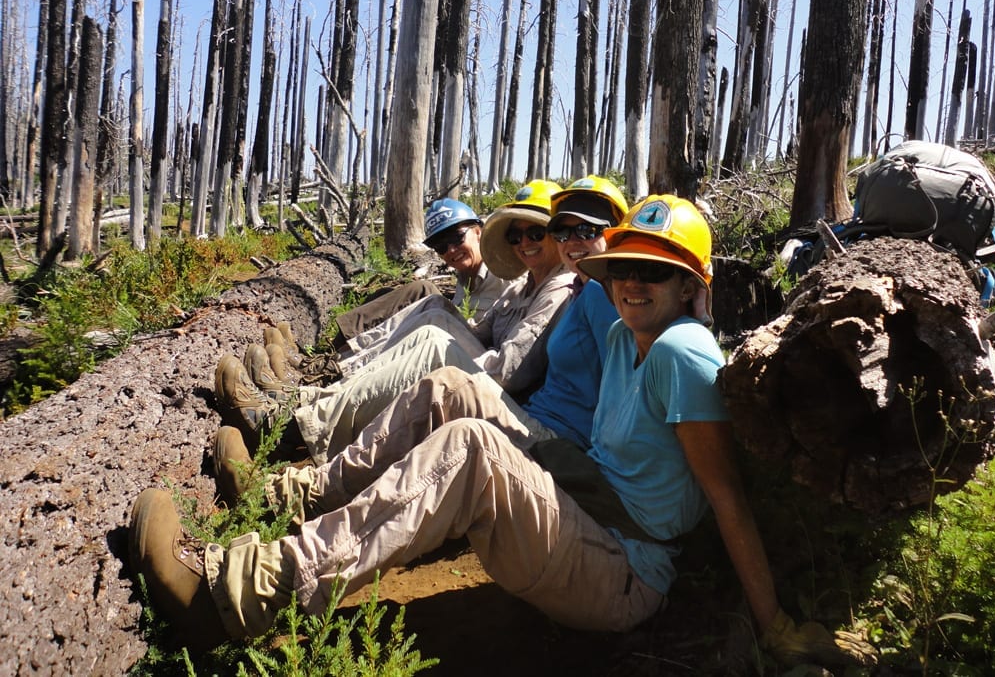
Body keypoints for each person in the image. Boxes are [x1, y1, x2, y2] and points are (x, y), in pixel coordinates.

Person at [129, 194, 858, 668]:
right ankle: (293, 496)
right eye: (625, 267)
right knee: (453, 390)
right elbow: (557, 335)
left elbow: (725, 497)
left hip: (629, 569)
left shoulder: (680, 352)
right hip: (593, 497)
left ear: (692, 285)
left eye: (654, 274)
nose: (633, 283)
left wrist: (774, 624)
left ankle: (232, 597)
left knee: (471, 450)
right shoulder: (622, 333)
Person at [212, 175, 628, 512]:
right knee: (434, 319)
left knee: (436, 351)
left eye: (538, 231)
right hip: (530, 408)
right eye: (520, 235)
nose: (525, 242)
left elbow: (514, 370)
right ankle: (308, 402)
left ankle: (293, 431)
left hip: (536, 418)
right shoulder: (545, 285)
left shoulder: (574, 290)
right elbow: (487, 336)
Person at [329, 198, 513, 352]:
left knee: (423, 291)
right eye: (441, 247)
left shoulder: (506, 272)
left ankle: (338, 353)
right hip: (454, 341)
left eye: (457, 238)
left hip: (477, 355)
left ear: (479, 232)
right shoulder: (465, 277)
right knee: (384, 294)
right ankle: (338, 348)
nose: (451, 250)